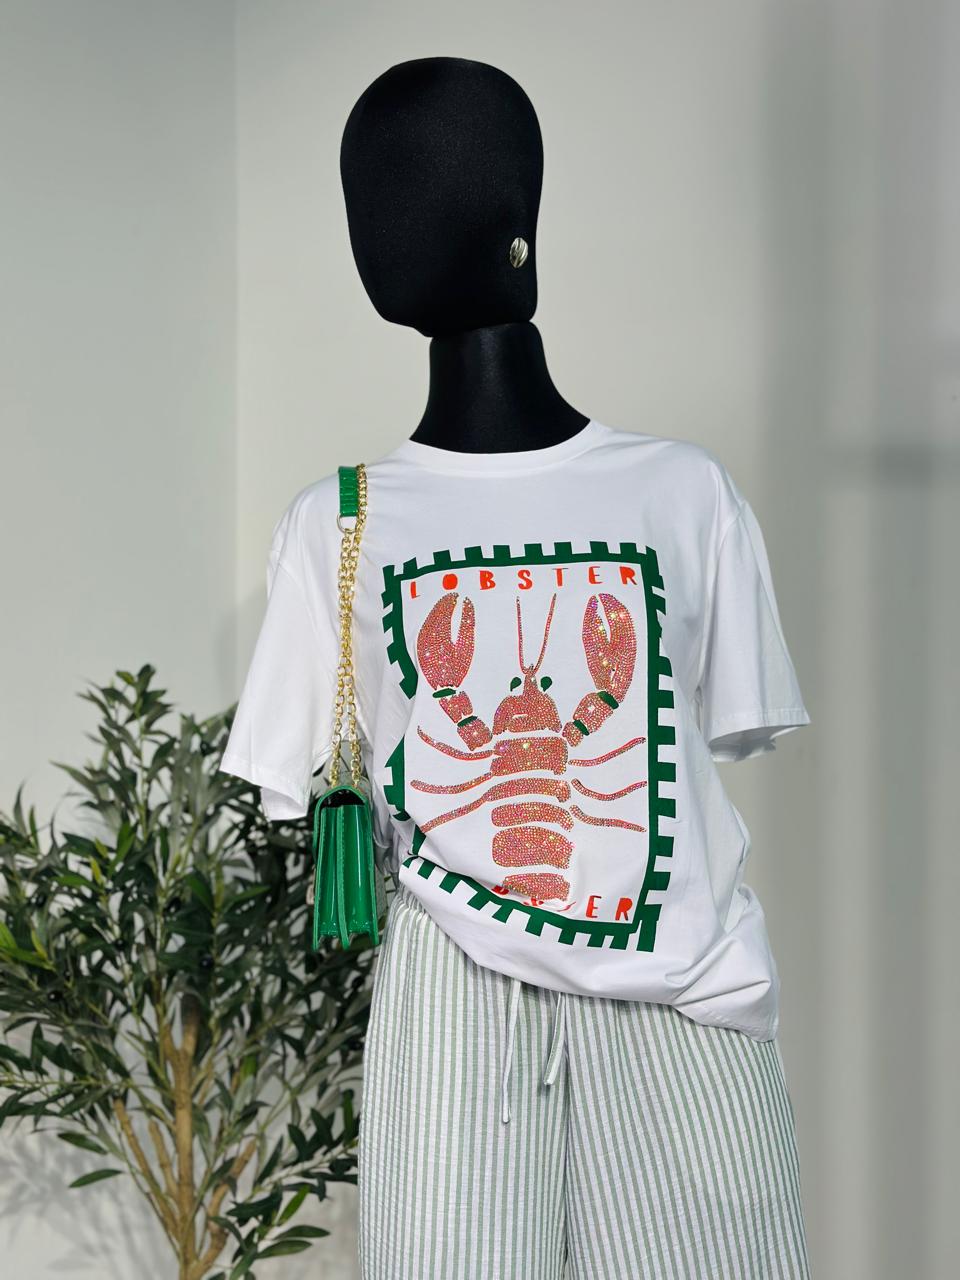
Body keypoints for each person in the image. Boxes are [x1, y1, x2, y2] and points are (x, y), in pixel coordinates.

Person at [219, 57, 813, 1280]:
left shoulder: (685, 493)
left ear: (517, 213)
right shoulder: (334, 525)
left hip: (683, 996)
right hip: (458, 997)